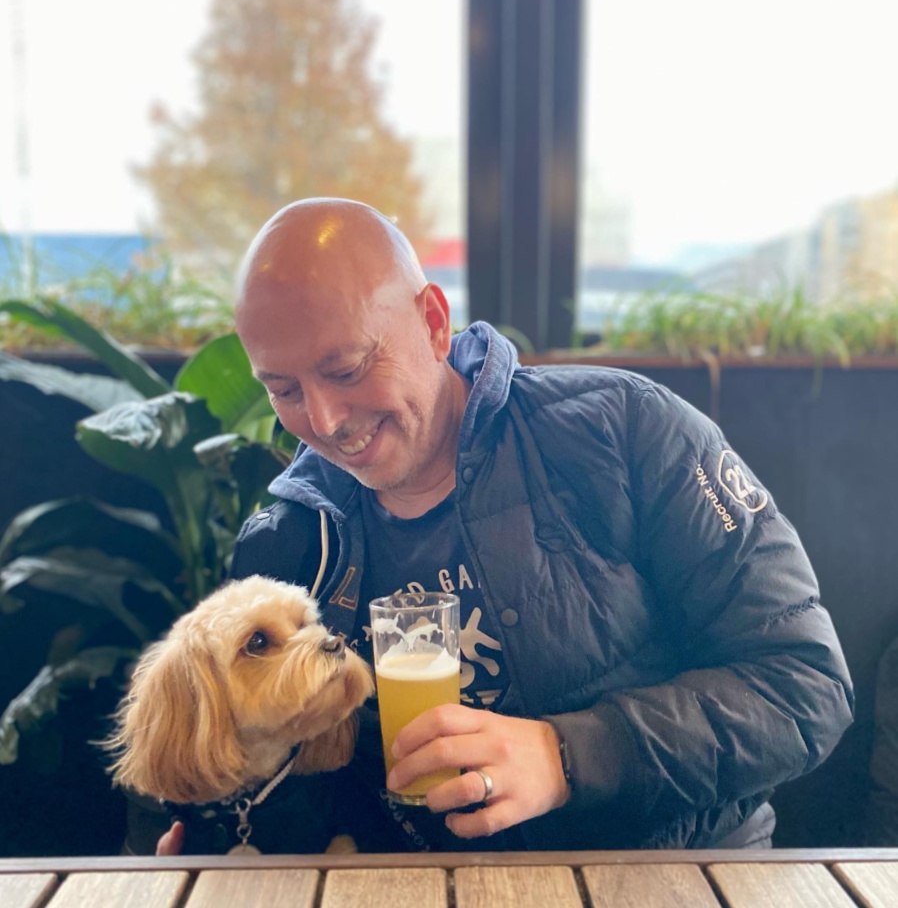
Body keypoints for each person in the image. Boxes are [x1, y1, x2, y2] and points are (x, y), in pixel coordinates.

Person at [155, 197, 852, 854]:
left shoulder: (626, 431)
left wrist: (567, 755)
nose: (326, 422)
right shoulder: (287, 543)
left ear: (432, 322)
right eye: (283, 390)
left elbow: (804, 685)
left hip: (667, 872)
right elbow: (266, 768)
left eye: (346, 367)